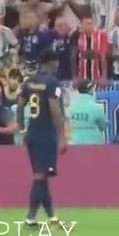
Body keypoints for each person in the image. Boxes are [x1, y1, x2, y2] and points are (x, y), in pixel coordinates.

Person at [16, 49, 68, 226]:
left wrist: (22, 129)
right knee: (40, 176)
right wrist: (62, 135)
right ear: (52, 62)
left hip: (32, 133)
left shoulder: (29, 82)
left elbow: (20, 105)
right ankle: (30, 218)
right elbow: (54, 108)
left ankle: (51, 216)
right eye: (57, 62)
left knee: (43, 175)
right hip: (46, 135)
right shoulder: (53, 83)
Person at [67, 80, 108, 145]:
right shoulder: (97, 107)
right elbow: (103, 125)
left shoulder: (71, 107)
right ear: (90, 90)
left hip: (76, 141)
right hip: (94, 141)